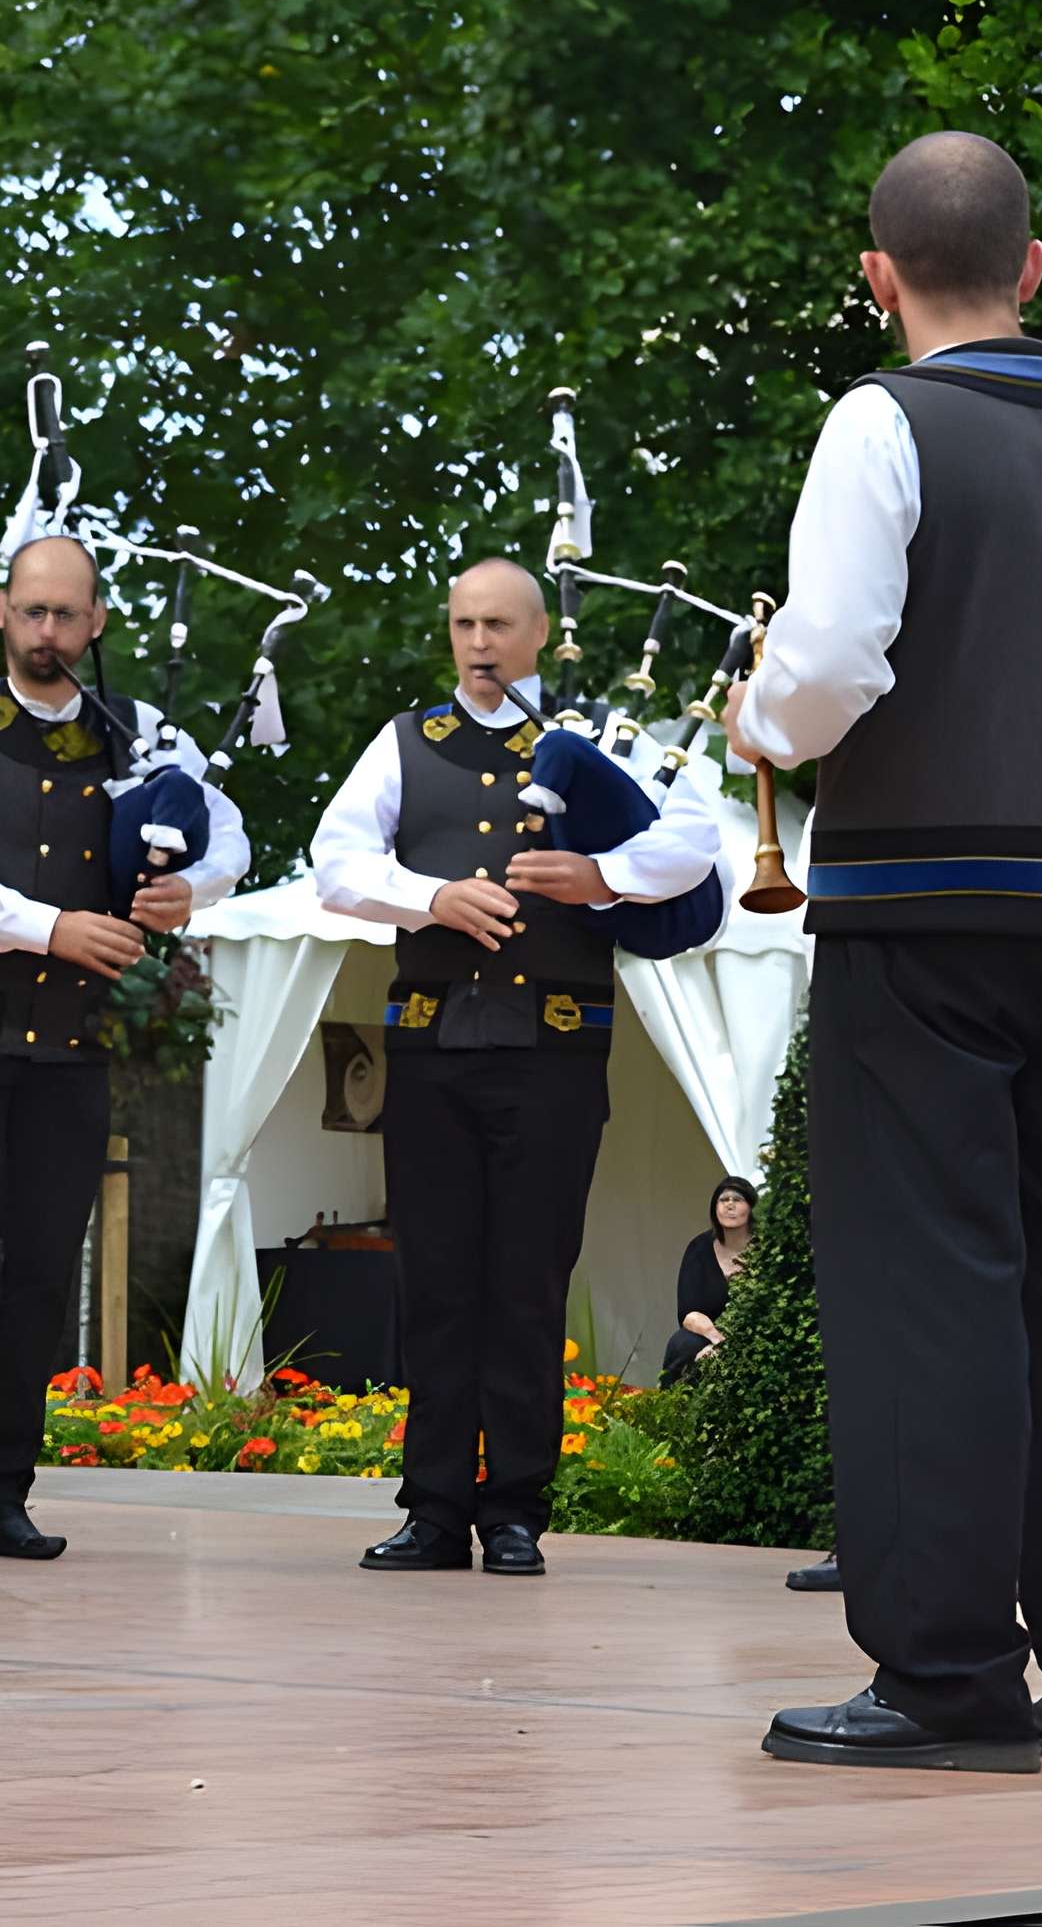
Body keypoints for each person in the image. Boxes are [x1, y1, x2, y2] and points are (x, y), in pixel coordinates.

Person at [727, 130, 1042, 1771]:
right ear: (1033, 264)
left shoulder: (883, 420)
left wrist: (756, 708)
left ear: (877, 275)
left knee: (928, 1287)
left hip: (919, 923)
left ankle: (945, 1678)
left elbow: (827, 667)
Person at [312, 559, 723, 1577]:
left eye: (497, 623)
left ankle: (515, 1513)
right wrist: (429, 897)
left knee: (529, 1284)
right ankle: (433, 1507)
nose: (478, 642)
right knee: (439, 1281)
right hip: (433, 1046)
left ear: (540, 633)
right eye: (462, 624)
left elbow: (693, 840)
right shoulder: (408, 742)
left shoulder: (595, 742)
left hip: (553, 1049)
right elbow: (333, 861)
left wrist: (600, 877)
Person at [0, 536, 249, 1561]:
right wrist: (52, 927)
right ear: (1, 611)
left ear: (95, 622)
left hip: (69, 1042)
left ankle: (1, 1491)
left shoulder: (135, 733)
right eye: (30, 611)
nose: (47, 631)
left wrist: (192, 887)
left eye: (66, 614)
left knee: (44, 1268)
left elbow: (230, 832)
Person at [662, 1175, 757, 1383]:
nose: (730, 1205)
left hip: (757, 1333)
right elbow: (688, 1314)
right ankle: (675, 1409)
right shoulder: (699, 1248)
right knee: (682, 1344)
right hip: (712, 1333)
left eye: (738, 1199)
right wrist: (718, 1342)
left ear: (751, 1208)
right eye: (724, 1200)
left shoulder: (766, 1248)